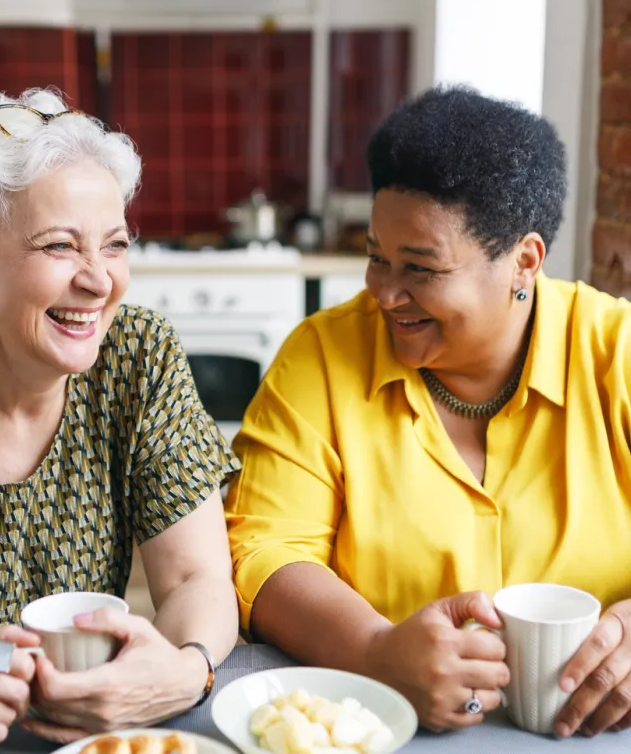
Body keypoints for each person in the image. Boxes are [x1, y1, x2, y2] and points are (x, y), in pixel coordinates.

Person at [225, 86, 631, 739]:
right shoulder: (322, 358)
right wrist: (376, 654)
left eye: (420, 268)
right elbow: (266, 550)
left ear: (523, 262)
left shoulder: (618, 354)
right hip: (376, 731)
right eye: (376, 257)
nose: (385, 294)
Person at [0, 88, 240, 747]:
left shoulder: (138, 357)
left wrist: (185, 671)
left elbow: (196, 576)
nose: (100, 281)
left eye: (115, 244)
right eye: (60, 246)